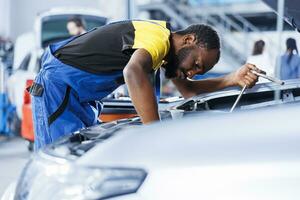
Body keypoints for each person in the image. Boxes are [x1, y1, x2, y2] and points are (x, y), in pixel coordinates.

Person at [30, 20, 262, 150]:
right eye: (196, 64)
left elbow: (188, 89)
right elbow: (133, 72)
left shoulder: (166, 54)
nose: (191, 72)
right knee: (59, 163)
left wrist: (232, 79)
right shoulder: (157, 38)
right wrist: (155, 134)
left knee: (82, 162)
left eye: (197, 71)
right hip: (58, 88)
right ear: (189, 40)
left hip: (81, 97)